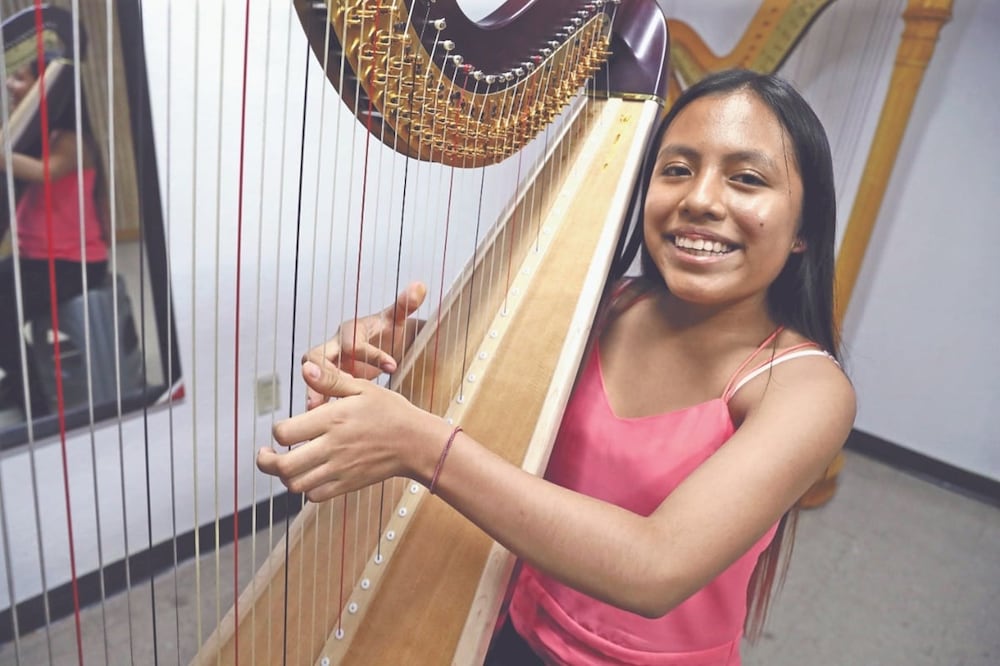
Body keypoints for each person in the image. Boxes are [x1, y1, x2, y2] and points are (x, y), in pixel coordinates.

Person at [256, 69, 857, 665]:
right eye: (676, 169)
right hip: (513, 620)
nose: (699, 199)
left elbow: (655, 568)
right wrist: (393, 344)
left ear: (803, 228)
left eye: (747, 179)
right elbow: (510, 374)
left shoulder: (807, 388)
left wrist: (420, 445)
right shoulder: (611, 301)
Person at [0, 56, 110, 416]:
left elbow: (47, 172)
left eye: (18, 78)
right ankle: (22, 379)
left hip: (72, 263)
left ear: (48, 87)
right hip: (37, 259)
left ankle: (34, 398)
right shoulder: (38, 136)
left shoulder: (73, 140)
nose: (10, 85)